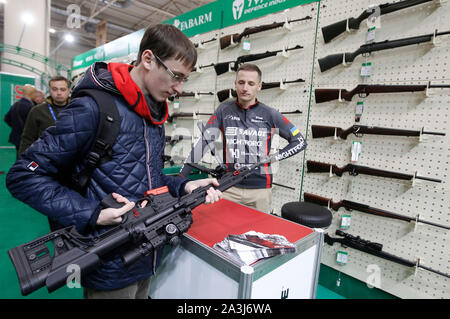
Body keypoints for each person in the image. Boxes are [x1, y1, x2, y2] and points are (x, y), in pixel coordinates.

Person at [6, 24, 222, 299]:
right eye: (175, 76)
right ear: (147, 59)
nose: (179, 88)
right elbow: (23, 176)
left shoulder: (153, 113)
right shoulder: (93, 108)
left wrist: (183, 187)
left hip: (147, 255)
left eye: (184, 79)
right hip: (109, 264)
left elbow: (146, 178)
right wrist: (91, 213)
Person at [180, 63, 306, 214]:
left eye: (251, 83)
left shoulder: (270, 114)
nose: (245, 88)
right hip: (228, 187)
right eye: (241, 82)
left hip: (260, 191)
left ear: (259, 86)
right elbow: (204, 143)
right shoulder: (223, 110)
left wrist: (274, 157)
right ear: (235, 84)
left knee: (258, 234)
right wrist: (180, 177)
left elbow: (299, 141)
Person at [19, 76, 71, 156]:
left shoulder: (77, 109)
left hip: (71, 158)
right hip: (45, 158)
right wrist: (23, 160)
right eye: (54, 89)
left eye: (63, 89)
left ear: (68, 91)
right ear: (50, 90)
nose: (59, 93)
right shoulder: (37, 111)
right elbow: (27, 139)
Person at [4, 84, 37, 158]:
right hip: (27, 139)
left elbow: (6, 118)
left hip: (16, 137)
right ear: (31, 94)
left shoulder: (15, 104)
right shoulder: (31, 107)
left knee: (19, 156)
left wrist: (16, 127)